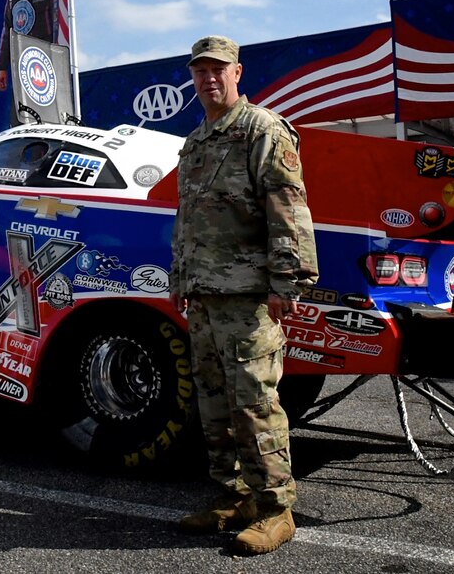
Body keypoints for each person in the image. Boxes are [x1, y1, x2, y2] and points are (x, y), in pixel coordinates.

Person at [169, 35, 318, 556]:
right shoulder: (197, 142)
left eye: (219, 70)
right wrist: (180, 280)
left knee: (255, 402)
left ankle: (276, 509)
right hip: (206, 295)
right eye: (200, 71)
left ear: (238, 73)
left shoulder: (262, 130)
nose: (209, 78)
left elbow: (288, 210)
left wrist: (288, 282)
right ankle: (234, 497)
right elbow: (187, 219)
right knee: (213, 404)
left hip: (249, 296)